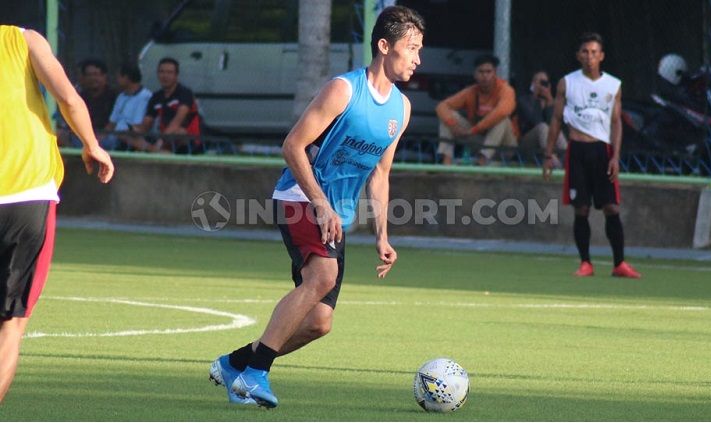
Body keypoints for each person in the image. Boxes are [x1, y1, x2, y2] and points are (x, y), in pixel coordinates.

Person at [208, 5, 424, 408]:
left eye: (419, 50)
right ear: (383, 45)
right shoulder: (344, 89)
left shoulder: (401, 109)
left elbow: (380, 174)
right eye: (411, 48)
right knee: (323, 275)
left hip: (336, 216)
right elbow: (292, 146)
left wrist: (382, 235)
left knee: (318, 324)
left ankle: (234, 363)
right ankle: (254, 377)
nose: (417, 58)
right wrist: (320, 203)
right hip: (299, 198)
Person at [0, 25, 114, 403]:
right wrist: (92, 145)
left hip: (26, 194)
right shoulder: (24, 39)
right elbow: (69, 98)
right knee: (11, 324)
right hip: (26, 194)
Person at [542, 32, 640, 279]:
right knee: (581, 209)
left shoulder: (613, 85)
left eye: (594, 52)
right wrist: (548, 155)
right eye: (585, 52)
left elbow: (616, 123)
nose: (589, 57)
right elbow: (555, 120)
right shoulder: (567, 83)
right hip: (577, 151)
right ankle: (586, 262)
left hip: (601, 150)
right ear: (578, 55)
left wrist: (615, 156)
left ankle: (619, 263)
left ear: (602, 56)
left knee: (611, 207)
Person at [435, 55, 516, 165]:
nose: (485, 76)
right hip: (480, 140)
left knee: (502, 119)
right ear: (475, 74)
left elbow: (502, 111)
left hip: (504, 146)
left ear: (495, 73)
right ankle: (446, 160)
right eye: (481, 72)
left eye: (488, 72)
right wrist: (453, 125)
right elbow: (442, 106)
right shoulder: (471, 91)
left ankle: (483, 160)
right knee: (448, 117)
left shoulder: (506, 90)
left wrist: (475, 129)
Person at [131, 57, 201, 154]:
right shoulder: (155, 97)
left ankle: (156, 151)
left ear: (176, 75)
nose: (165, 76)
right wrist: (134, 130)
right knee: (126, 136)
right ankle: (159, 152)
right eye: (162, 72)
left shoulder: (185, 93)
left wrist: (161, 140)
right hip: (162, 138)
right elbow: (147, 123)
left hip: (186, 138)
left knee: (178, 132)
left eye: (169, 72)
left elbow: (177, 121)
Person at [516, 70, 567, 166]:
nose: (540, 85)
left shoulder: (551, 102)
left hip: (545, 145)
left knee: (556, 129)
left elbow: (554, 123)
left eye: (543, 82)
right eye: (537, 81)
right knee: (542, 127)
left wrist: (549, 100)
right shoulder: (524, 100)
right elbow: (535, 121)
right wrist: (535, 98)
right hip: (527, 144)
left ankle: (570, 160)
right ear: (532, 83)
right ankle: (554, 163)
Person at [102, 63, 153, 150]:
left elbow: (137, 126)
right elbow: (112, 124)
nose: (116, 79)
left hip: (129, 140)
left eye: (119, 77)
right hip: (114, 136)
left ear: (127, 77)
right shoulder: (121, 97)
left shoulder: (146, 97)